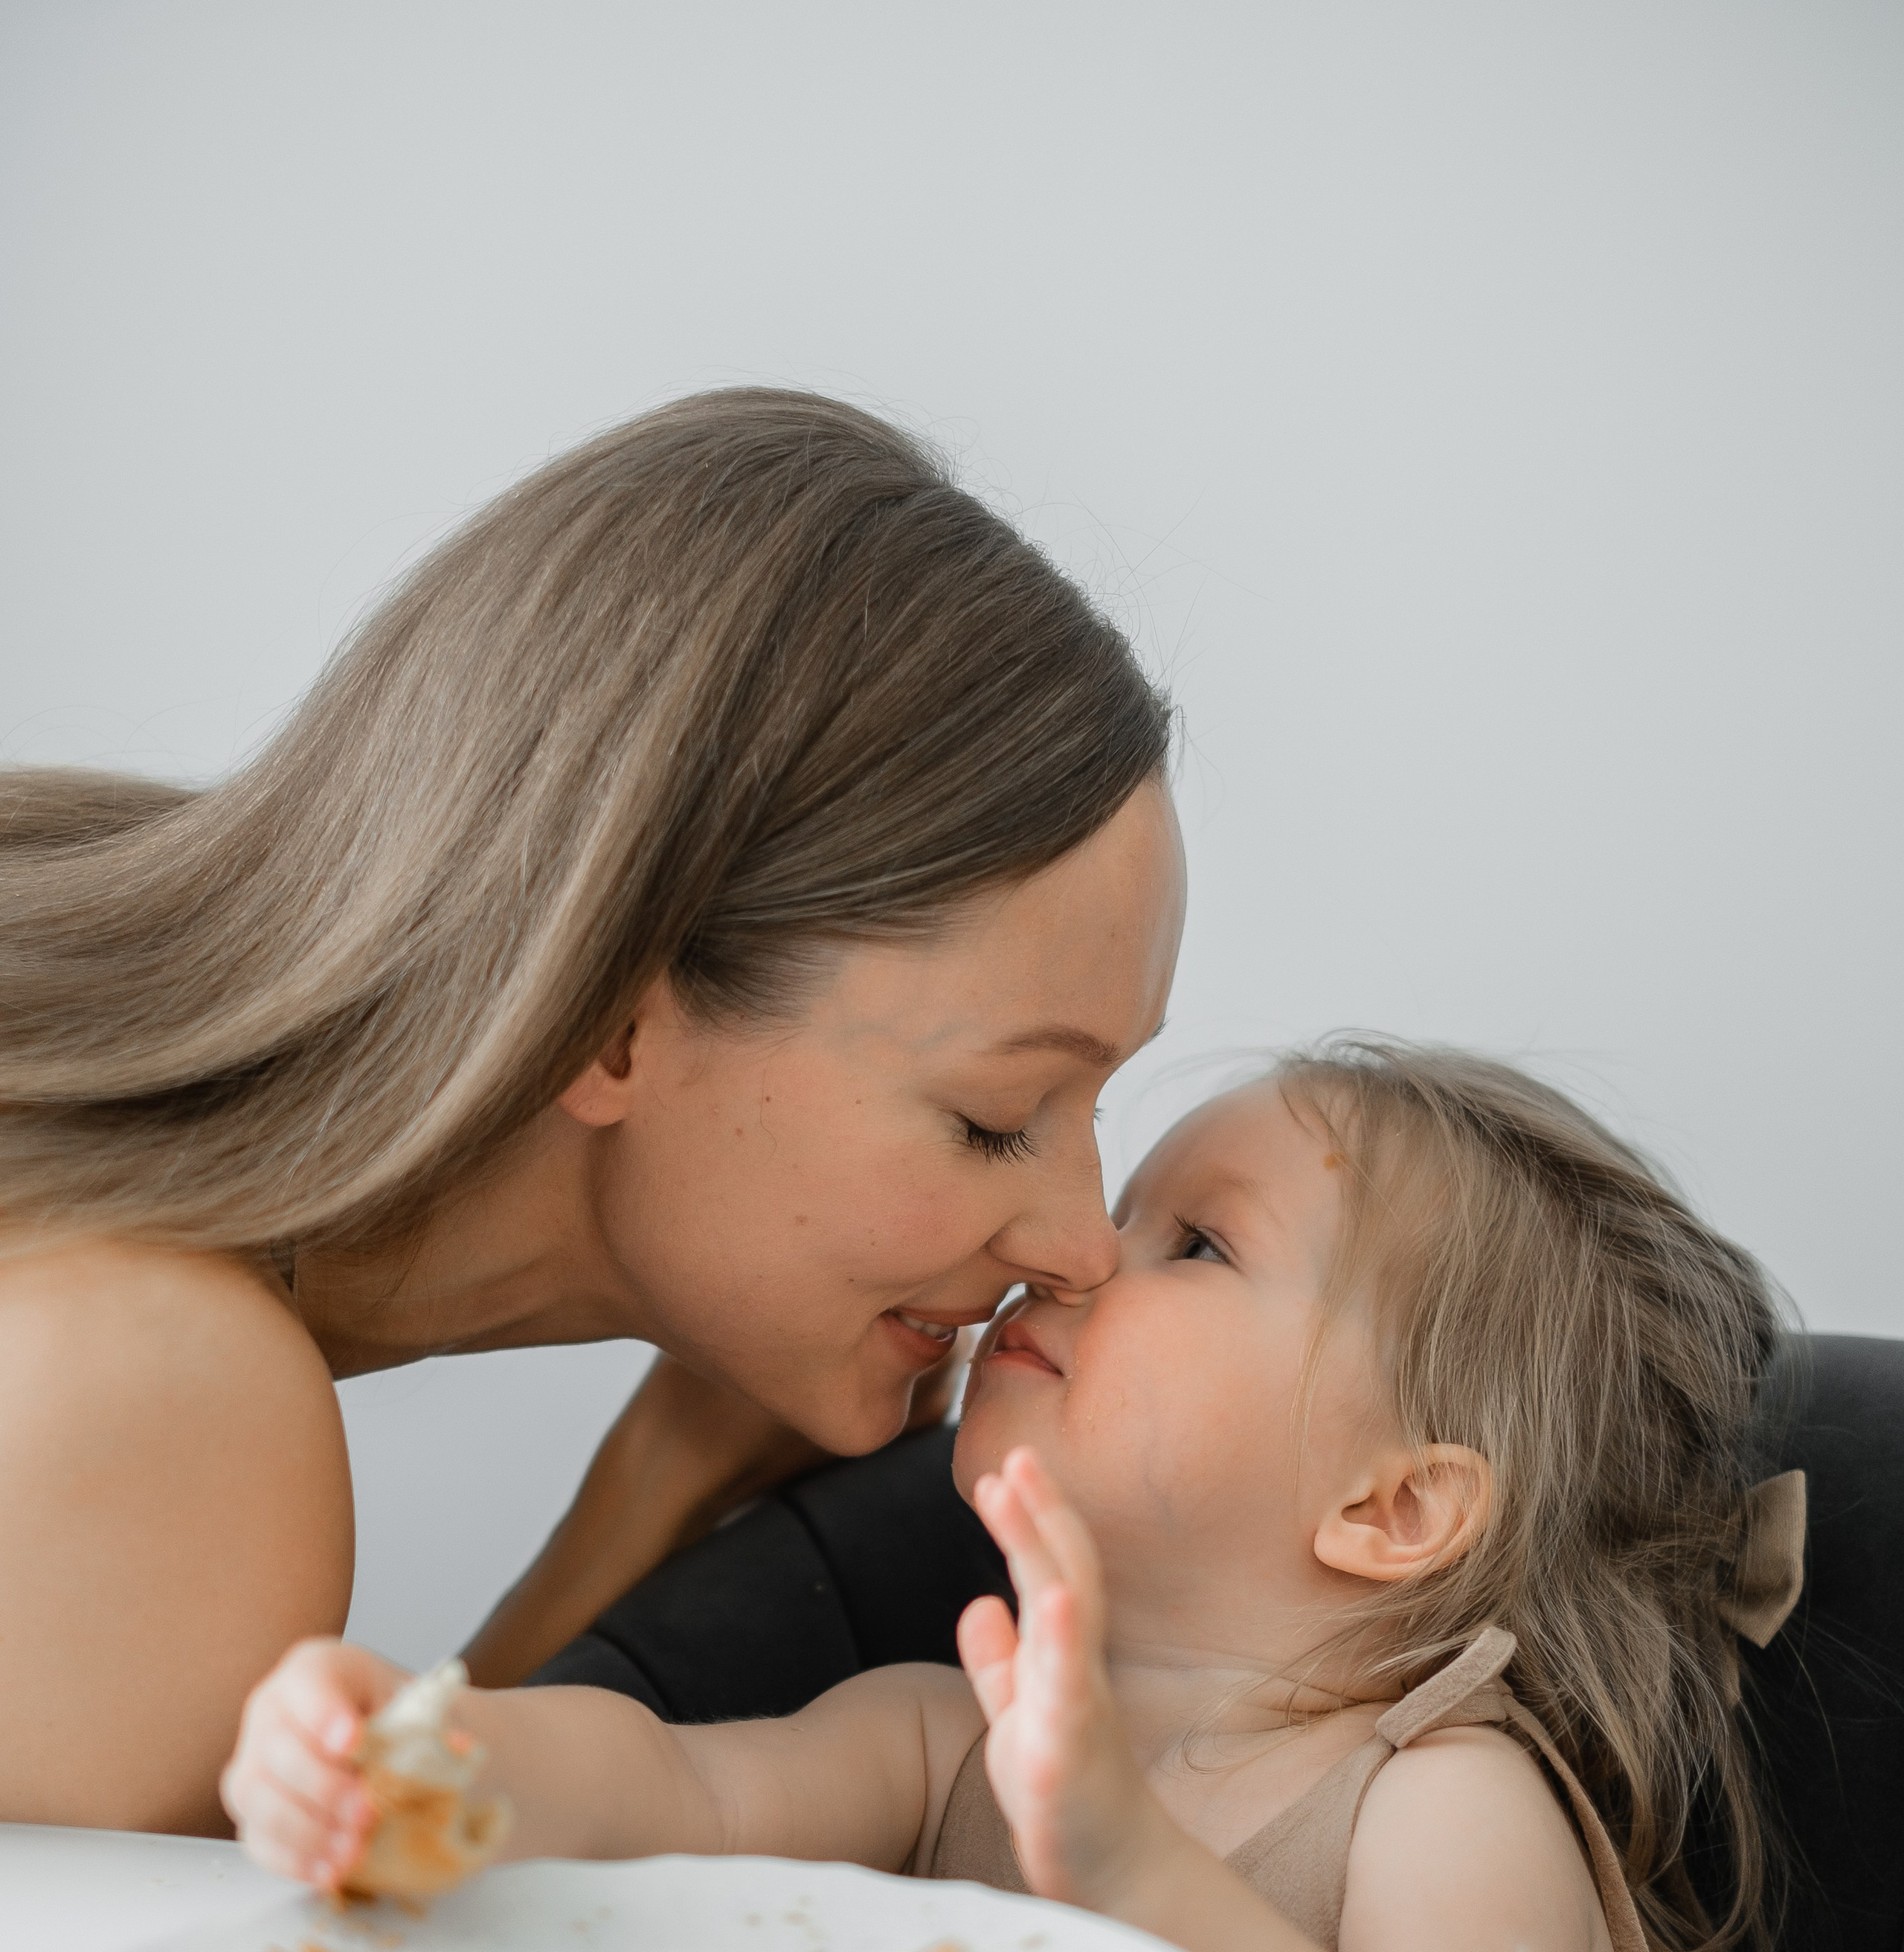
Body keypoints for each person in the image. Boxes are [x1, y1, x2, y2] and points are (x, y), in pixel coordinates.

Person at [225, 1042, 1804, 1952]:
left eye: (1196, 1244)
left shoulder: (1434, 1800)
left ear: (1391, 1510)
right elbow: (670, 1794)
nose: (1081, 1254)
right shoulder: (945, 1733)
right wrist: (432, 1758)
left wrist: (1129, 1866)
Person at [0, 391, 1182, 1834]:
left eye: (1095, 1106)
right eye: (998, 1116)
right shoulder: (150, 1398)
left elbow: (336, 1849)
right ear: (604, 1016)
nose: (1083, 1246)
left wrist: (647, 1500)